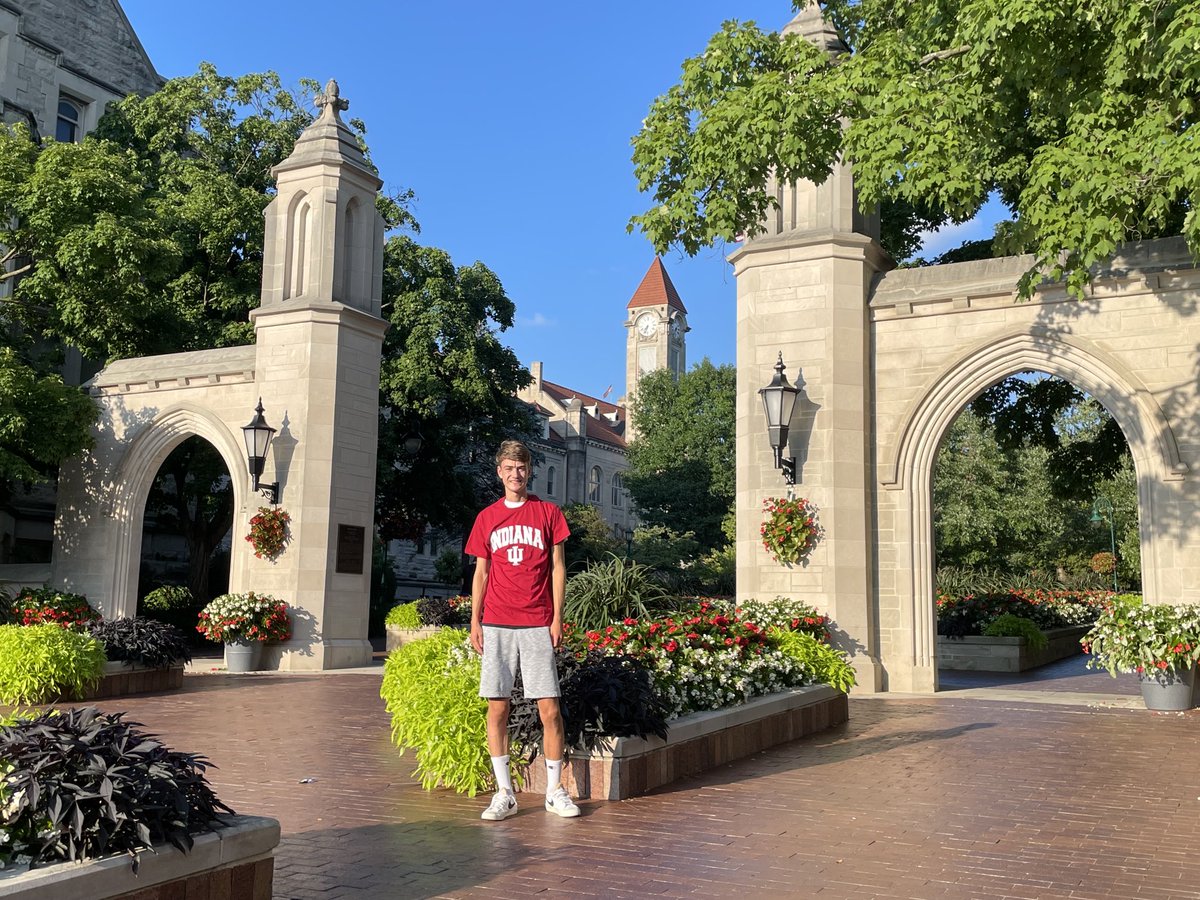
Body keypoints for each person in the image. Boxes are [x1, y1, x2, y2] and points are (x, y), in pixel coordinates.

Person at [465, 439, 580, 820]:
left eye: (522, 467)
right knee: (497, 707)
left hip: (536, 621)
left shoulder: (548, 513)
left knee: (549, 707)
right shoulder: (487, 518)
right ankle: (504, 793)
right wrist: (475, 619)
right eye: (509, 468)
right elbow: (481, 572)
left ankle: (554, 791)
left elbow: (557, 569)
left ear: (529, 471)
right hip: (497, 622)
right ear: (500, 472)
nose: (516, 474)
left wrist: (557, 617)